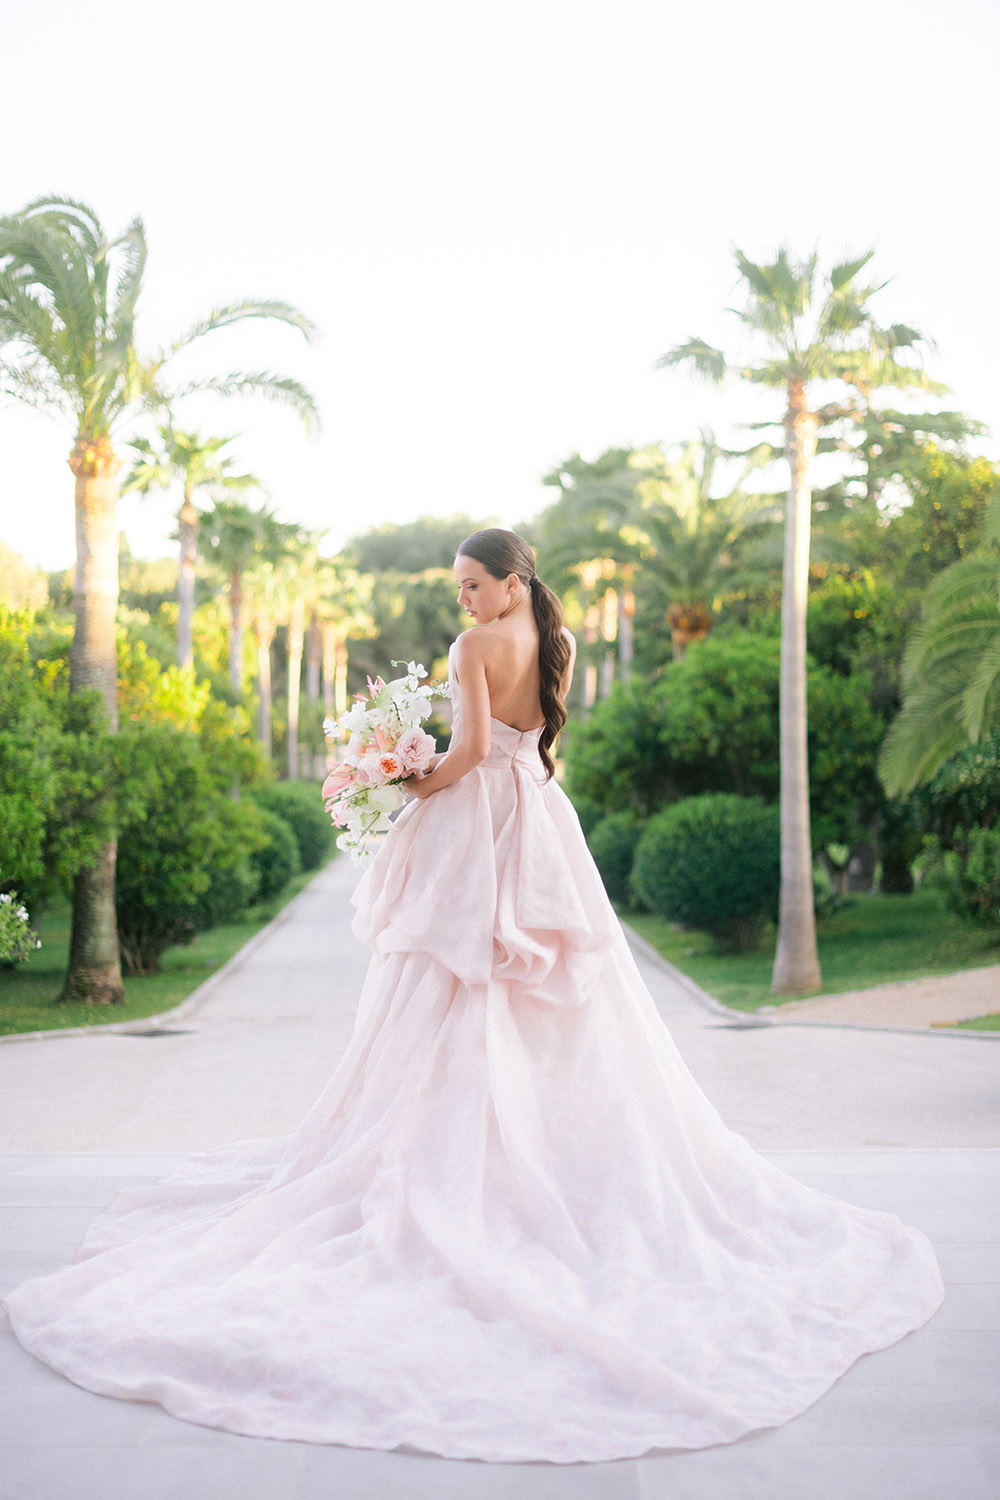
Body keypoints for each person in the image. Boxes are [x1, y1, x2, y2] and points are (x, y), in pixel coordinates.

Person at [1, 528, 944, 1464]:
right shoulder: (553, 637)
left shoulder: (471, 648)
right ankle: (528, 1150)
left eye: (469, 584)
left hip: (482, 817)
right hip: (538, 816)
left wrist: (408, 779)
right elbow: (529, 747)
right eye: (456, 587)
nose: (460, 599)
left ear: (508, 580)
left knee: (454, 977)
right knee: (536, 990)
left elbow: (470, 751)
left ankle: (463, 1160)